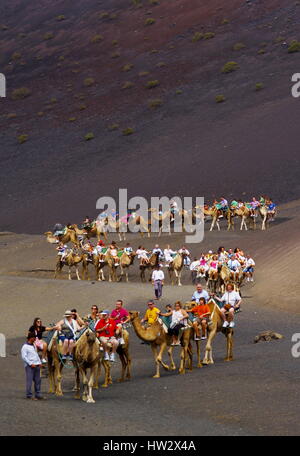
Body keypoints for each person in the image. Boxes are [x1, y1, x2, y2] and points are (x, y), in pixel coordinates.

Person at [21, 332, 44, 400]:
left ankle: (38, 394)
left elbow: (36, 354)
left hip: (36, 365)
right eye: (34, 338)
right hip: (30, 366)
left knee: (38, 380)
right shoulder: (25, 347)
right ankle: (29, 395)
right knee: (29, 381)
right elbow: (24, 357)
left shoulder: (33, 345)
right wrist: (31, 364)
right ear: (31, 338)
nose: (35, 339)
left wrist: (39, 362)